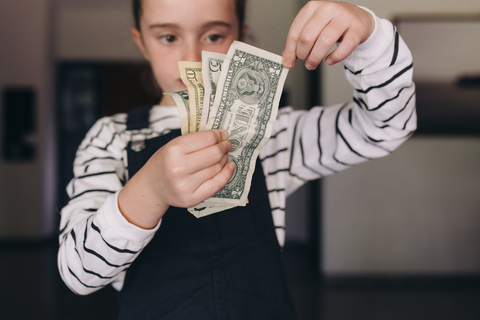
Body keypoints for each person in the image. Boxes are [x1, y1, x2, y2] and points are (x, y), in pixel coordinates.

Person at [57, 0, 416, 319]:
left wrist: (372, 39)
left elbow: (386, 127)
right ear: (142, 43)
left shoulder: (275, 135)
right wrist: (149, 189)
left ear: (239, 38)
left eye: (213, 36)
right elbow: (78, 274)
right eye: (168, 37)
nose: (192, 58)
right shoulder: (112, 137)